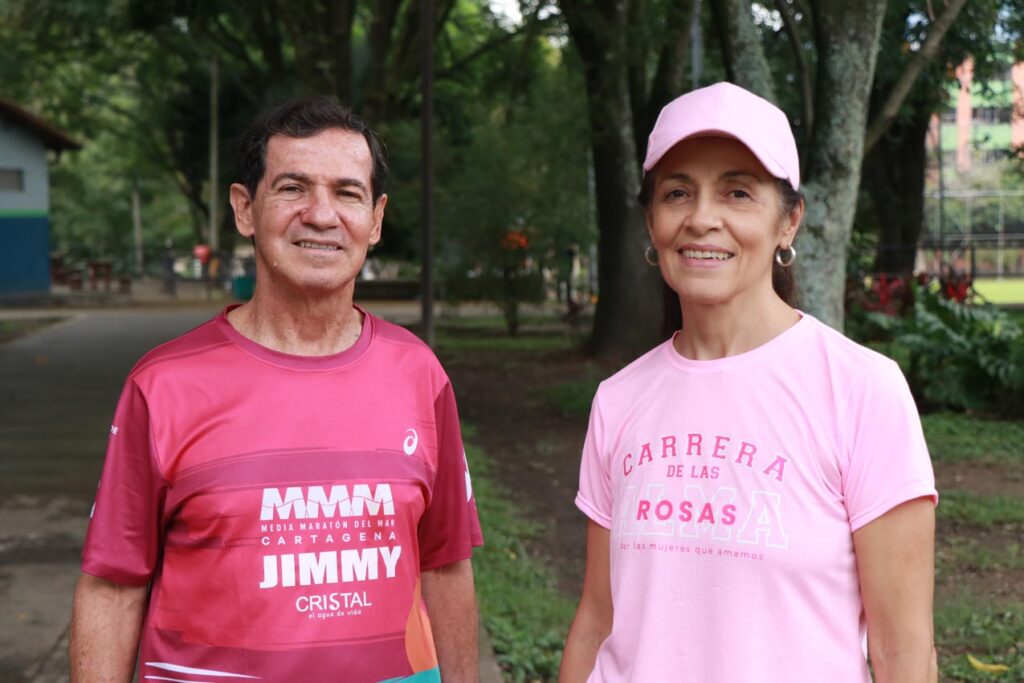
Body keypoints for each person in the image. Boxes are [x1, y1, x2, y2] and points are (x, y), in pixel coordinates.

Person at [70, 96, 483, 683]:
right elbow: (113, 586)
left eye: (347, 193)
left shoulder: (418, 373)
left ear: (377, 218)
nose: (321, 214)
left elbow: (445, 568)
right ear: (245, 208)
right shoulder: (164, 385)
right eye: (293, 187)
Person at [559, 82, 938, 683]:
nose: (702, 219)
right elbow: (598, 619)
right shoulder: (619, 400)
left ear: (789, 222)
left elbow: (903, 651)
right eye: (678, 192)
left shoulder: (864, 391)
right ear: (653, 222)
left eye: (737, 192)